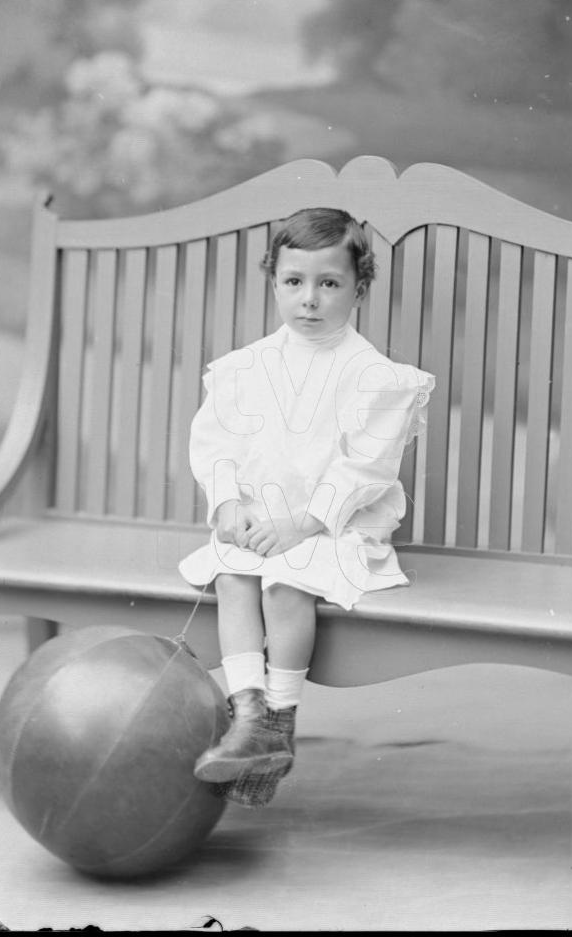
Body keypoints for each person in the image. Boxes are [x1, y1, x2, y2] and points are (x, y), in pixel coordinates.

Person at [178, 207, 435, 808]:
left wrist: (305, 521)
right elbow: (216, 444)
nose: (310, 299)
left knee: (284, 582)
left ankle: (279, 719)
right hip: (265, 518)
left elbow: (364, 466)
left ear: (358, 287)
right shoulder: (248, 368)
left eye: (330, 283)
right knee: (234, 568)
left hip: (336, 525)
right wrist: (228, 504)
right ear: (275, 283)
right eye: (294, 282)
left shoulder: (372, 375)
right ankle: (248, 715)